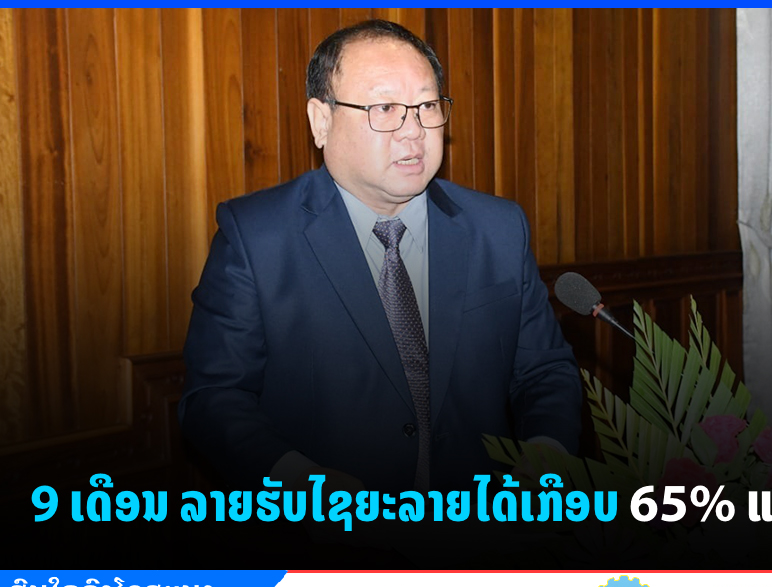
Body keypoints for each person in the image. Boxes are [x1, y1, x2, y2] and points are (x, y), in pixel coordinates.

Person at [179, 19, 581, 494]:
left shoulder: (498, 229)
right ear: (321, 121)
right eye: (385, 108)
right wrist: (298, 484)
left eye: (427, 106)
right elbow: (214, 398)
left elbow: (544, 372)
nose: (414, 131)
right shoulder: (256, 238)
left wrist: (546, 456)